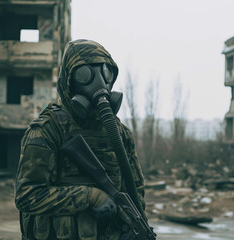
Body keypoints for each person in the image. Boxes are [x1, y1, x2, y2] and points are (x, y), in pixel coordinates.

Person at [15, 39, 146, 240]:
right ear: (69, 80)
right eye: (85, 75)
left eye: (105, 73)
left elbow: (135, 193)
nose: (99, 82)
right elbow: (27, 196)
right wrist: (90, 197)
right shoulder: (48, 129)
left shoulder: (120, 133)